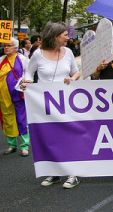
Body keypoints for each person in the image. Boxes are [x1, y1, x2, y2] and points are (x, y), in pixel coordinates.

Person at [21, 22, 81, 189]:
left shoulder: (68, 52)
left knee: (67, 135)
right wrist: (26, 81)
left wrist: (73, 79)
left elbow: (75, 72)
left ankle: (72, 173)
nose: (68, 38)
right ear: (55, 37)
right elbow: (29, 72)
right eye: (65, 35)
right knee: (50, 137)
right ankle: (54, 173)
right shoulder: (38, 54)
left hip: (65, 101)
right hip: (44, 104)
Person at [0, 37, 30, 156]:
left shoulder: (23, 59)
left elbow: (28, 74)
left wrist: (26, 81)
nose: (6, 48)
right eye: (5, 46)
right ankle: (12, 145)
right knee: (8, 119)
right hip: (4, 96)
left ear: (15, 48)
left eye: (9, 46)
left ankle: (24, 146)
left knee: (21, 119)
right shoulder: (1, 60)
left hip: (18, 94)